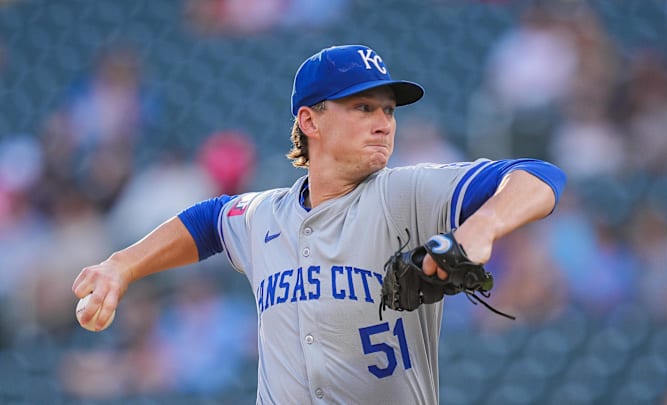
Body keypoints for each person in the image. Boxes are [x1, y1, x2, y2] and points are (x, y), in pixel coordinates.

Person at [72, 44, 566, 404]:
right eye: (363, 107)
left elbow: (541, 177)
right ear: (310, 121)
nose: (384, 122)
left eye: (389, 110)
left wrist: (478, 229)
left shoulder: (406, 192)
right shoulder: (264, 215)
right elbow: (207, 222)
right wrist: (121, 267)